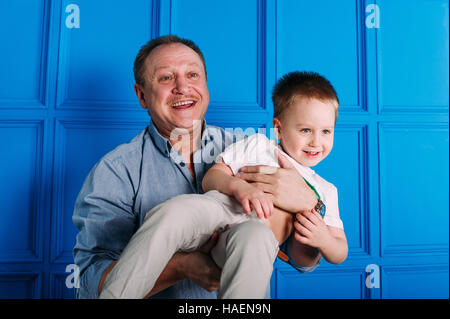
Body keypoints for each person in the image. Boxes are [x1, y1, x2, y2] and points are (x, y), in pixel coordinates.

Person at [72, 35, 321, 299]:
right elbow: (89, 284)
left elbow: (302, 261)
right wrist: (179, 266)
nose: (182, 87)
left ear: (205, 84)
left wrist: (312, 204)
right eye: (166, 78)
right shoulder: (115, 172)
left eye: (193, 75)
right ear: (142, 95)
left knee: (255, 235)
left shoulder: (250, 150)